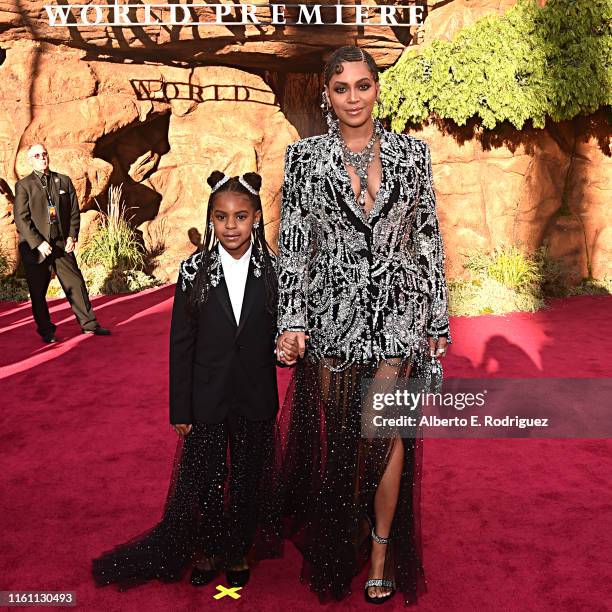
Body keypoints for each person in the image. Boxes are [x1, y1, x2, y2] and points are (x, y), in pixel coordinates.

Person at [275, 46, 452, 605]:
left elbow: (426, 237)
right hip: (334, 318)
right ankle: (343, 532)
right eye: (341, 88)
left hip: (400, 316)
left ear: (378, 88)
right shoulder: (304, 159)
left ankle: (379, 550)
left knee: (385, 432)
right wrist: (292, 319)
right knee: (342, 440)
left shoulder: (412, 155)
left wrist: (438, 316)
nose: (354, 97)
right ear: (326, 95)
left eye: (363, 85)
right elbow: (296, 245)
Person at [92, 171, 297, 590]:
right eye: (221, 217)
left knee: (247, 477)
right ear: (211, 220)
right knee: (205, 476)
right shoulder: (192, 272)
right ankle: (206, 548)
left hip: (255, 394)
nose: (231, 226)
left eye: (241, 216)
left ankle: (238, 547)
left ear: (256, 217)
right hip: (206, 397)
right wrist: (180, 408)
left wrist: (287, 352)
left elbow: (281, 334)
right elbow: (180, 345)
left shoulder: (275, 271)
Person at [12, 144, 110, 342]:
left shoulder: (63, 181)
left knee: (76, 283)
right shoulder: (24, 186)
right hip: (37, 249)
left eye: (44, 154)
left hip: (61, 244)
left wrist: (72, 237)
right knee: (38, 293)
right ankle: (47, 332)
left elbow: (74, 212)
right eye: (37, 155)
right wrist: (38, 243)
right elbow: (21, 219)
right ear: (31, 161)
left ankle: (89, 325)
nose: (42, 158)